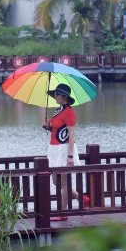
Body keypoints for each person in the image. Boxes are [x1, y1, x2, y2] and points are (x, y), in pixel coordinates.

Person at [42, 83, 81, 221]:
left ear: (64, 95)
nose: (55, 97)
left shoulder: (69, 112)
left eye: (57, 94)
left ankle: (63, 213)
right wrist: (48, 126)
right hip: (54, 148)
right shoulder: (58, 110)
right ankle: (81, 198)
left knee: (64, 182)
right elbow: (56, 129)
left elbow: (71, 135)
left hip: (64, 149)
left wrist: (70, 156)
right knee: (55, 181)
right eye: (54, 94)